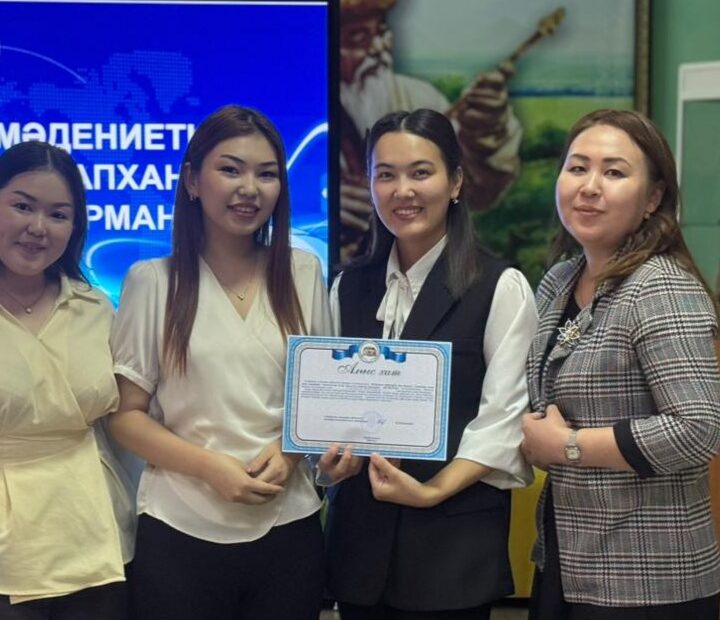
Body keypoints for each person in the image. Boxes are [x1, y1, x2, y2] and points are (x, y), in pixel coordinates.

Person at [109, 105, 331, 620]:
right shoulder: (152, 281)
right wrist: (211, 468)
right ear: (192, 181)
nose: (249, 188)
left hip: (288, 522)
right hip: (180, 526)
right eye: (231, 169)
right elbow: (126, 416)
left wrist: (289, 452)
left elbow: (321, 397)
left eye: (266, 174)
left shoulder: (303, 272)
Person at [321, 108, 537, 620]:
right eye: (385, 175)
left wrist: (431, 491)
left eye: (421, 172)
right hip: (359, 550)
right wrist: (326, 465)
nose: (403, 191)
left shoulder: (499, 287)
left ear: (456, 182)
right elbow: (330, 404)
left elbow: (503, 419)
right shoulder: (348, 287)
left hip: (451, 549)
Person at [521, 109, 720, 619]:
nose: (589, 187)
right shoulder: (559, 280)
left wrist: (567, 446)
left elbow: (699, 428)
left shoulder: (660, 285)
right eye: (577, 168)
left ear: (653, 198)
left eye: (613, 172)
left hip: (647, 579)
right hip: (568, 559)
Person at [0, 141, 129, 618]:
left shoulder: (96, 307)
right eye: (22, 206)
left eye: (58, 215)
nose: (38, 228)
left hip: (94, 529)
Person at [339, 0, 522, 258]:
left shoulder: (420, 98)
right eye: (358, 37)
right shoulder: (304, 109)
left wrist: (482, 130)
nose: (378, 47)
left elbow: (480, 189)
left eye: (381, 31)